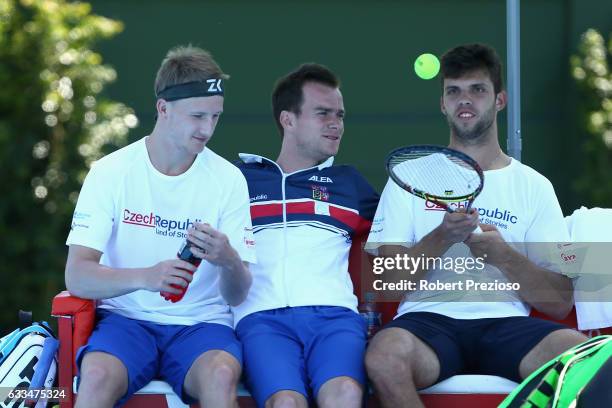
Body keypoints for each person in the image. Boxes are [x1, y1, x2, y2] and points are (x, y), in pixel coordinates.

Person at [364, 43, 587, 408]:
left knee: (581, 357)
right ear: (442, 103)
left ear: (499, 100)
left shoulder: (534, 185)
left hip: (507, 326)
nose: (464, 100)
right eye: (453, 91)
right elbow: (386, 283)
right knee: (383, 357)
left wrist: (504, 257)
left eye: (477, 90)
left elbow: (560, 301)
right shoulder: (408, 176)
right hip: (427, 322)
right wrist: (441, 237)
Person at [65, 45, 256, 408]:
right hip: (126, 322)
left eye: (215, 117)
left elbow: (236, 295)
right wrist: (146, 277)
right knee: (96, 375)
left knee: (220, 374)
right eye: (197, 116)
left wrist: (228, 258)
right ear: (163, 108)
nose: (207, 129)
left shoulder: (228, 179)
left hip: (202, 326)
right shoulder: (110, 171)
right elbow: (77, 276)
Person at [234, 63, 379, 408]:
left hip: (335, 318)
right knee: (285, 403)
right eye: (323, 113)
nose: (336, 124)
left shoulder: (350, 183)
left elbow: (405, 232)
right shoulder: (236, 180)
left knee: (344, 395)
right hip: (262, 319)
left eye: (340, 115)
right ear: (288, 120)